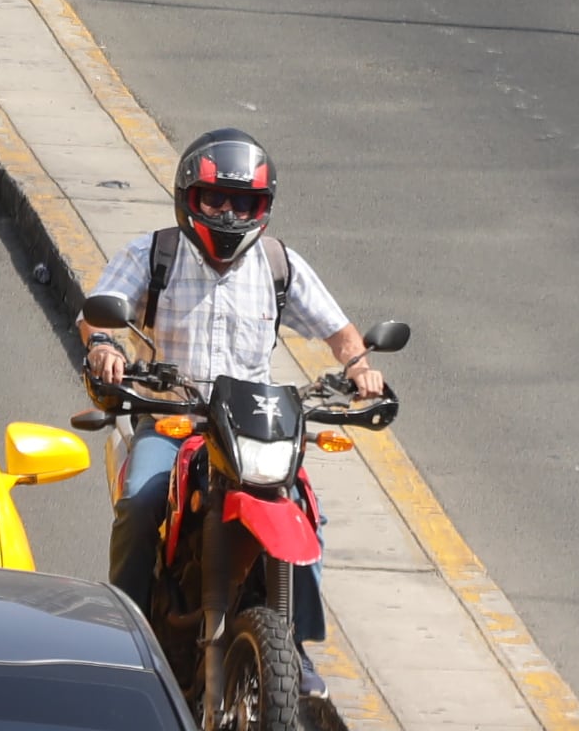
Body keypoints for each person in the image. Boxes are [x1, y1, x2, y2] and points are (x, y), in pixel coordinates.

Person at [82, 132, 384, 618]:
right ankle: (127, 633)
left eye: (244, 203)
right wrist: (103, 346)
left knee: (306, 513)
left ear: (261, 207)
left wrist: (360, 367)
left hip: (251, 428)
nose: (228, 214)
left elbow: (340, 331)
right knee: (141, 504)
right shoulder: (154, 254)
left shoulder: (279, 266)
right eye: (215, 198)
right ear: (188, 199)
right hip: (170, 422)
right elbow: (96, 315)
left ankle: (297, 649)